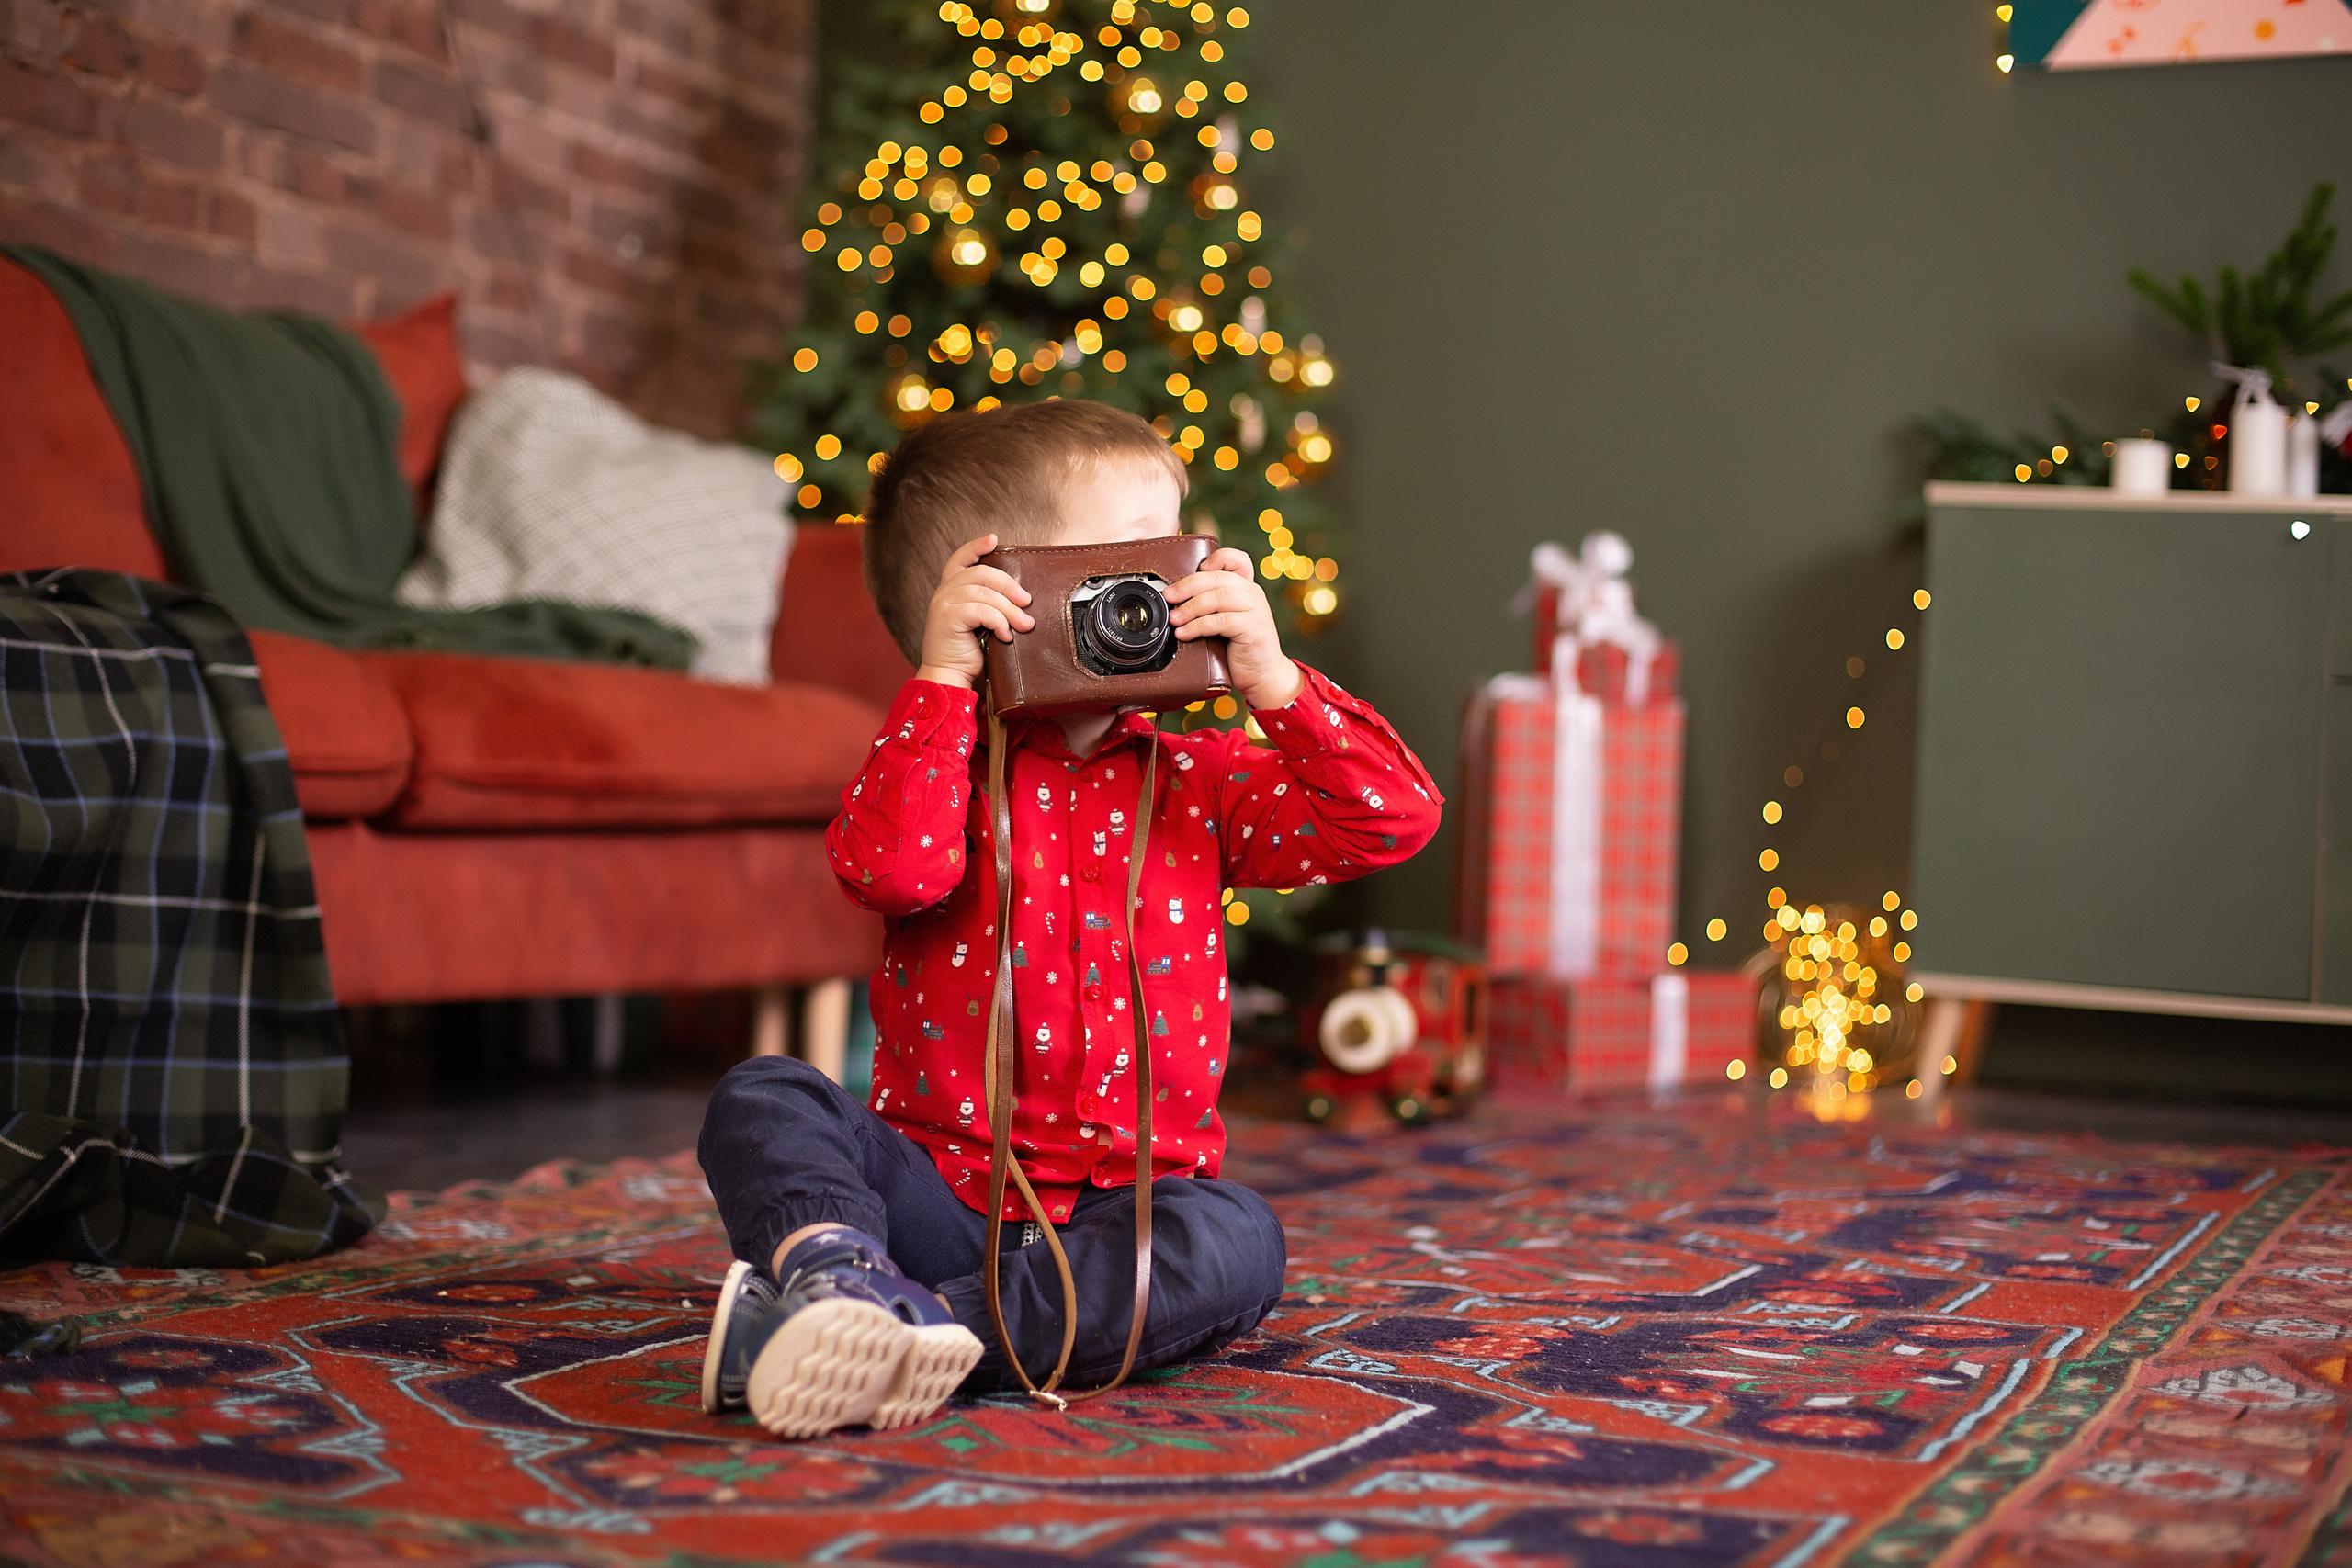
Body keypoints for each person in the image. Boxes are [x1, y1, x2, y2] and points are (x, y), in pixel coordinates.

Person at [696, 400, 1442, 1438]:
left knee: (1236, 1239)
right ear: (1000, 596)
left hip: (1119, 1219)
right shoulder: (938, 768)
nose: (1174, 588)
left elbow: (1390, 821)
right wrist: (943, 679)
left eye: (1186, 556)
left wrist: (1272, 681)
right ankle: (836, 1280)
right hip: (935, 1202)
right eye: (1136, 562)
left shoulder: (1199, 780)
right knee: (765, 1096)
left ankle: (901, 1336)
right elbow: (890, 873)